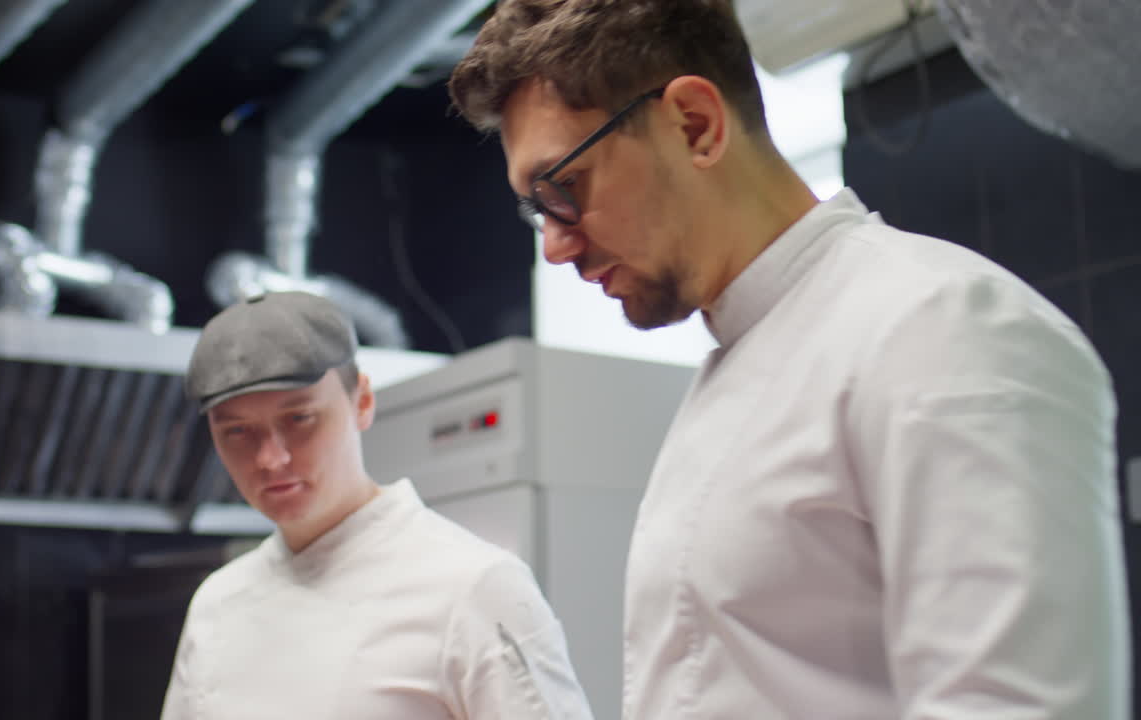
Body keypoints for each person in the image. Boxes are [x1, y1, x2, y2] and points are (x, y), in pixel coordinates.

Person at [448, 1, 1131, 718]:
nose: (554, 246)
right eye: (537, 210)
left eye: (563, 188)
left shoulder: (943, 327)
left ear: (695, 126)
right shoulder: (738, 360)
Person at [160, 290, 594, 719]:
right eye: (237, 432)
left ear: (362, 401)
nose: (271, 458)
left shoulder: (476, 587)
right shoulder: (217, 604)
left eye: (299, 419)